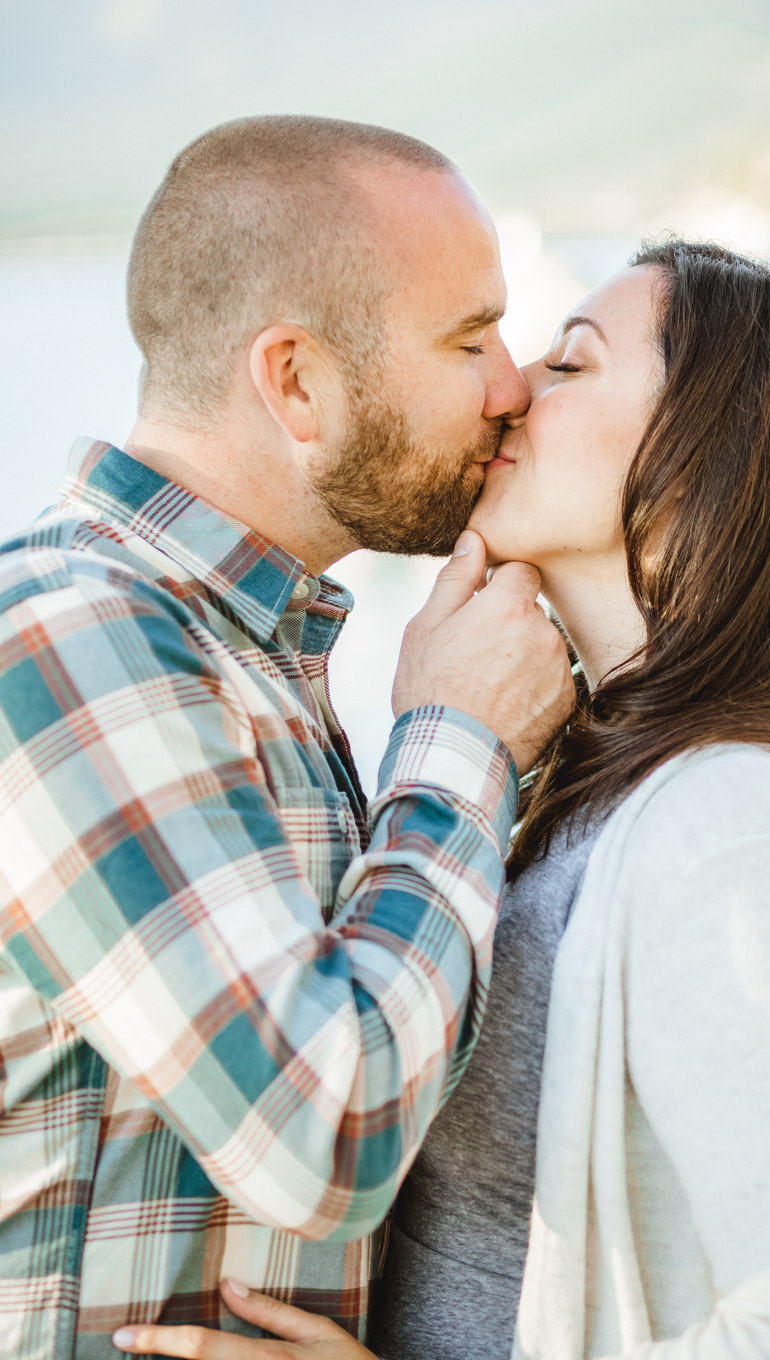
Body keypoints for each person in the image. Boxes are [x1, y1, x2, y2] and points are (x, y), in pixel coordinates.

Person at [124, 240, 770, 1360]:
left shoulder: (740, 820)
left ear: (713, 452)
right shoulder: (598, 784)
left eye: (571, 365)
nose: (509, 392)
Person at [0, 115, 576, 1360]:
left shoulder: (244, 651)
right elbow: (324, 1129)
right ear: (296, 380)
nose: (511, 383)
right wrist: (460, 736)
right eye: (469, 338)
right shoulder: (66, 636)